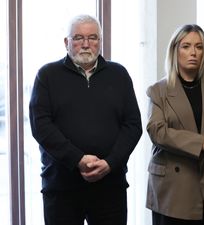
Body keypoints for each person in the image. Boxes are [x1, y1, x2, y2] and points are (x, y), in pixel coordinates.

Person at [29, 14, 142, 225]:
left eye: (93, 38)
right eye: (78, 38)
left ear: (100, 41)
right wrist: (78, 160)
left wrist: (109, 163)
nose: (86, 44)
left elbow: (133, 125)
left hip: (110, 186)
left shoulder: (119, 75)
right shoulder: (47, 75)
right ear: (66, 42)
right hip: (61, 187)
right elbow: (41, 126)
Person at [145, 24, 204, 225]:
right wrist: (202, 142)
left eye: (199, 47)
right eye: (186, 46)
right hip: (173, 189)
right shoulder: (159, 90)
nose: (193, 52)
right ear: (175, 50)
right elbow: (157, 131)